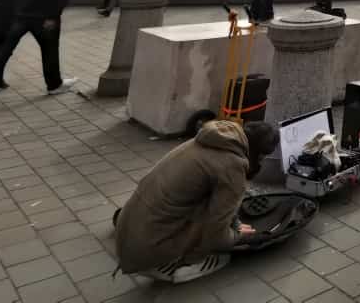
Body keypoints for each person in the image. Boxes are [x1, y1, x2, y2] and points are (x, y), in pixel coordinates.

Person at [114, 120, 280, 283]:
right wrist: (238, 236)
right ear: (259, 154)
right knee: (219, 247)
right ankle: (186, 264)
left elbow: (218, 202)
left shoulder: (216, 138)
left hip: (130, 230)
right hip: (148, 250)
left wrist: (234, 221)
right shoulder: (233, 165)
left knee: (214, 211)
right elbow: (215, 236)